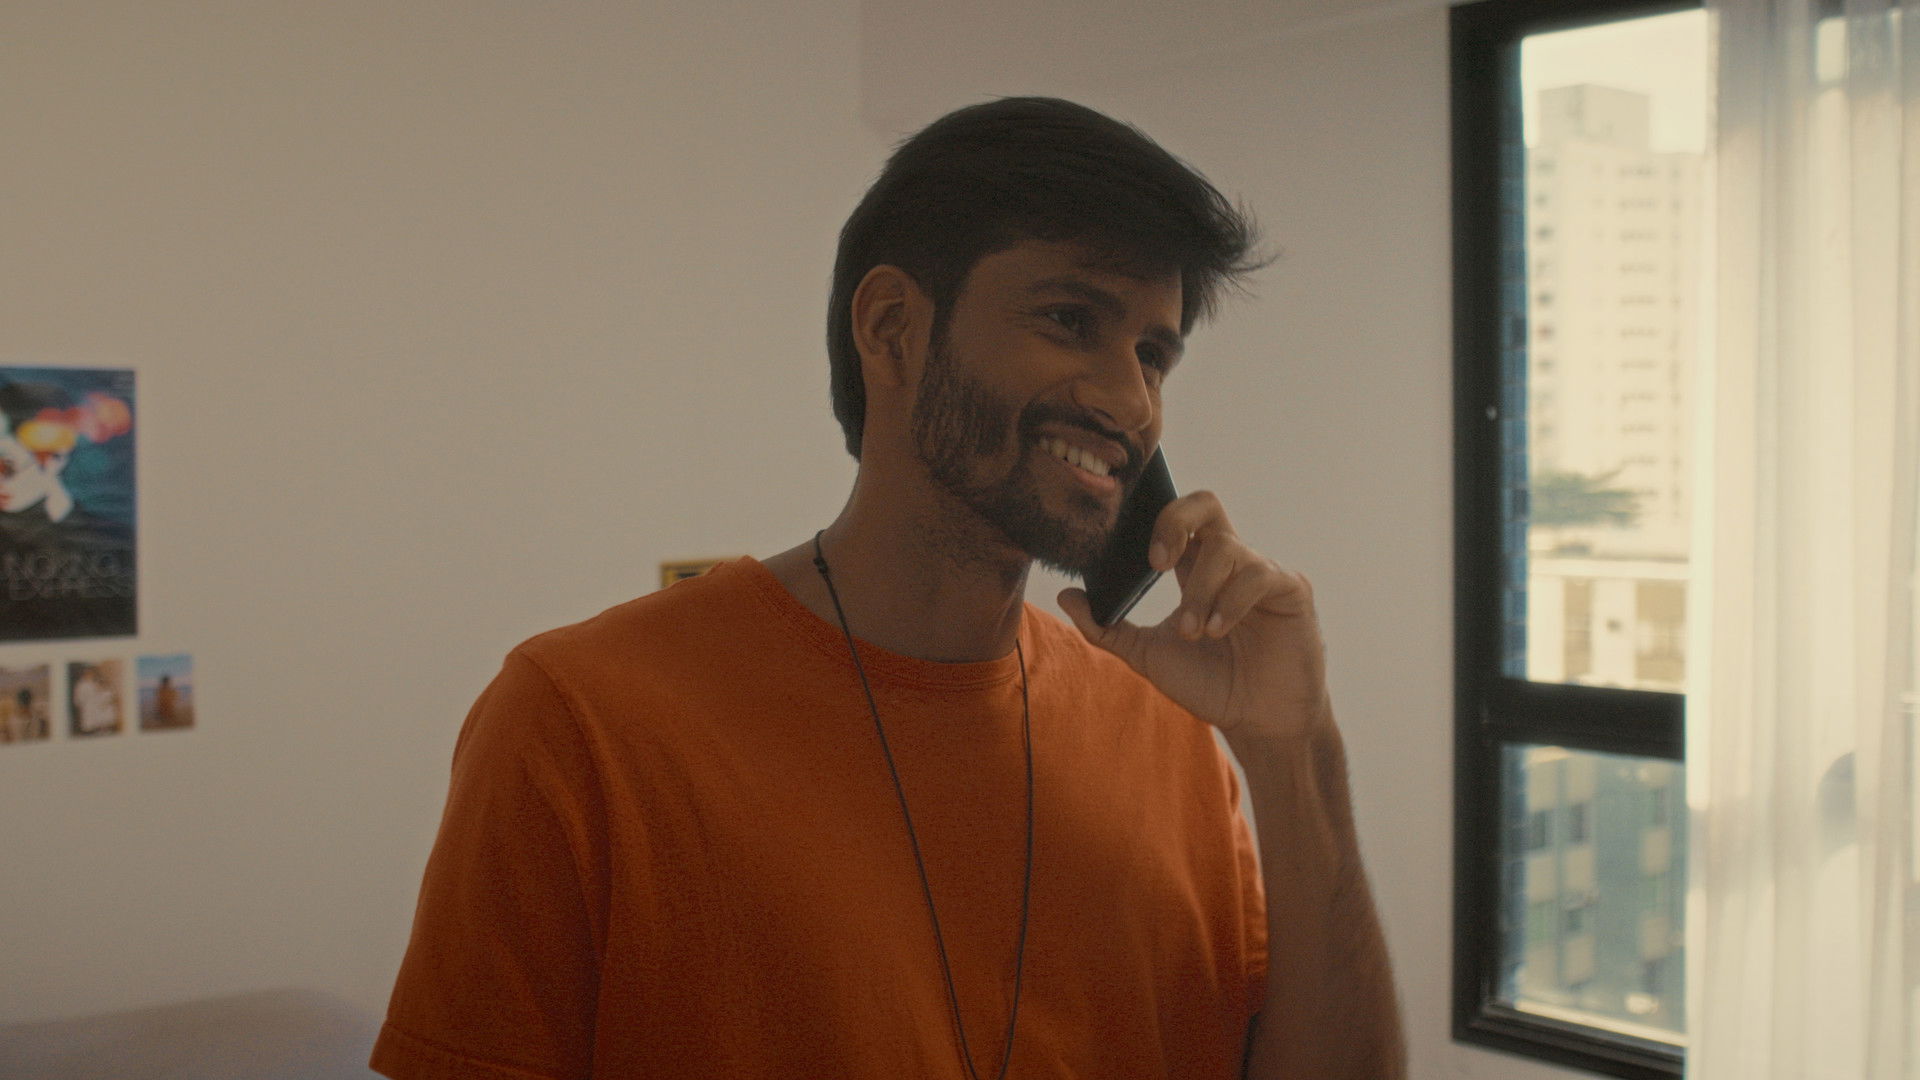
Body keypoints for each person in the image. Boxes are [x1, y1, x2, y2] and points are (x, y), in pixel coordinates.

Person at [373, 96, 1404, 1080]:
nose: (1131, 401)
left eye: (1153, 354)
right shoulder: (583, 725)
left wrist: (1294, 747)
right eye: (1069, 318)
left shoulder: (1171, 737)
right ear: (892, 328)